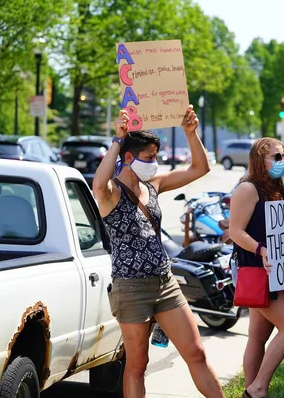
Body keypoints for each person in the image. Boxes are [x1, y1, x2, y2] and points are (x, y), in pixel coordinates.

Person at [92, 106, 224, 398]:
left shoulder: (153, 186)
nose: (155, 163)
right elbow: (97, 184)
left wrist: (191, 134)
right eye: (150, 157)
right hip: (131, 289)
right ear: (129, 157)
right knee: (138, 365)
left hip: (165, 283)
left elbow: (199, 169)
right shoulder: (111, 191)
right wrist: (117, 139)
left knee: (196, 353)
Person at [229, 137, 284, 398]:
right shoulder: (248, 189)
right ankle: (258, 388)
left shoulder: (276, 187)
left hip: (274, 269)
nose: (283, 162)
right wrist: (260, 249)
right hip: (258, 270)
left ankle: (252, 390)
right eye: (277, 157)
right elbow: (235, 232)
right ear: (260, 159)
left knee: (258, 335)